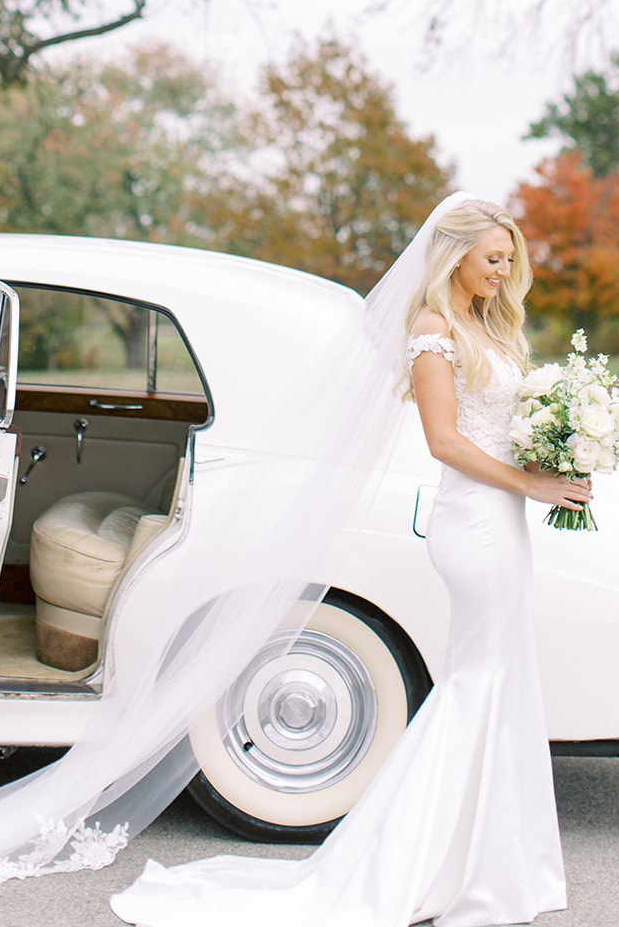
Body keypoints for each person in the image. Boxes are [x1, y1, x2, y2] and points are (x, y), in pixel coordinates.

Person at [109, 196, 590, 927]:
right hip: (475, 525)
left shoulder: (490, 327)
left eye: (509, 259)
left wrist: (564, 447)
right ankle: (442, 866)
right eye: (494, 257)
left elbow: (503, 425)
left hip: (507, 526)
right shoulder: (432, 331)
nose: (505, 271)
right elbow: (446, 442)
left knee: (504, 680)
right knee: (476, 685)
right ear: (455, 254)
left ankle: (496, 865)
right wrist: (534, 482)